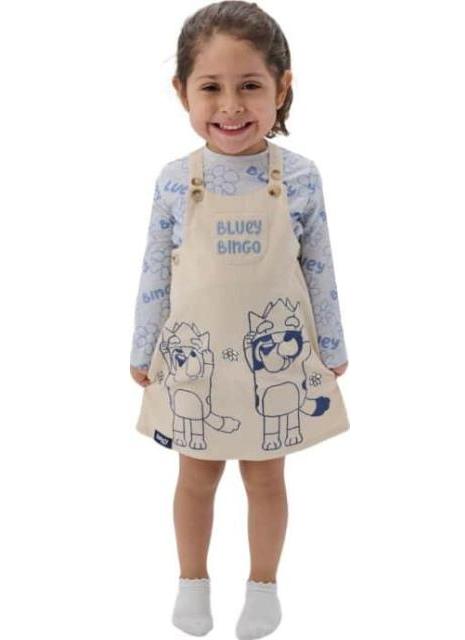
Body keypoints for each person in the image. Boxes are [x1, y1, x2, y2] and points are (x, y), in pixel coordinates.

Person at [129, 2, 350, 638]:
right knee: (195, 478)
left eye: (250, 85)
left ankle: (263, 587)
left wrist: (332, 345)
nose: (231, 106)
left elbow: (319, 267)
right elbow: (155, 271)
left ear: (282, 87)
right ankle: (191, 582)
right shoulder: (176, 181)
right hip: (193, 361)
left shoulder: (299, 177)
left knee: (266, 478)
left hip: (272, 364)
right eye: (211, 88)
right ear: (182, 92)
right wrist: (143, 348)